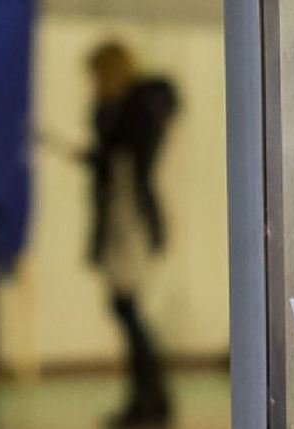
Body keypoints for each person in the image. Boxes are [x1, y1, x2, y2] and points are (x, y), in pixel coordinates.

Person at [86, 42, 178, 429]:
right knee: (127, 310)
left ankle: (150, 396)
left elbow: (125, 171)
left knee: (127, 309)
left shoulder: (132, 112)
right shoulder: (125, 112)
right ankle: (149, 396)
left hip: (129, 223)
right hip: (125, 220)